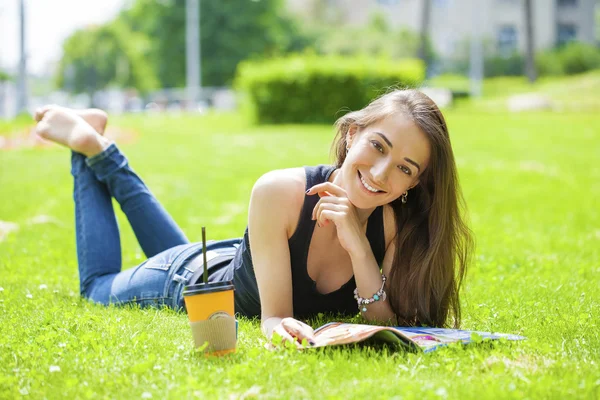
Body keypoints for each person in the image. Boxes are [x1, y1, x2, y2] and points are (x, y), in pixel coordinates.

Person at [33, 89, 472, 347]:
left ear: (415, 183)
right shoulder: (278, 192)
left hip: (230, 258)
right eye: (378, 146)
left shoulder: (392, 226)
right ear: (353, 133)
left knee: (176, 249)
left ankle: (100, 147)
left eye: (405, 168)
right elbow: (273, 318)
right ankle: (87, 147)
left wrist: (358, 245)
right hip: (190, 280)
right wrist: (281, 329)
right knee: (96, 287)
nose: (381, 173)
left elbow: (387, 327)